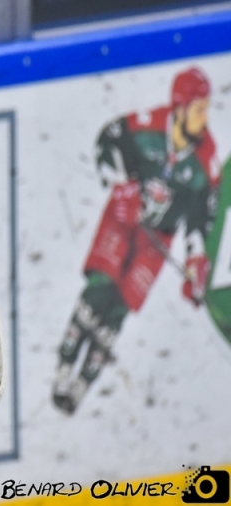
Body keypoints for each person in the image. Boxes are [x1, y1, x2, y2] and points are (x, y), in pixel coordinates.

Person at [52, 67, 219, 415]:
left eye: (206, 108)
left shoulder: (206, 160)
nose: (204, 117)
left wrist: (195, 260)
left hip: (157, 240)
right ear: (180, 107)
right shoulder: (147, 126)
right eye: (198, 109)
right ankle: (65, 365)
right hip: (123, 217)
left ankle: (83, 381)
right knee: (99, 289)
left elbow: (200, 217)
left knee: (119, 308)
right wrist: (118, 182)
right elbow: (107, 139)